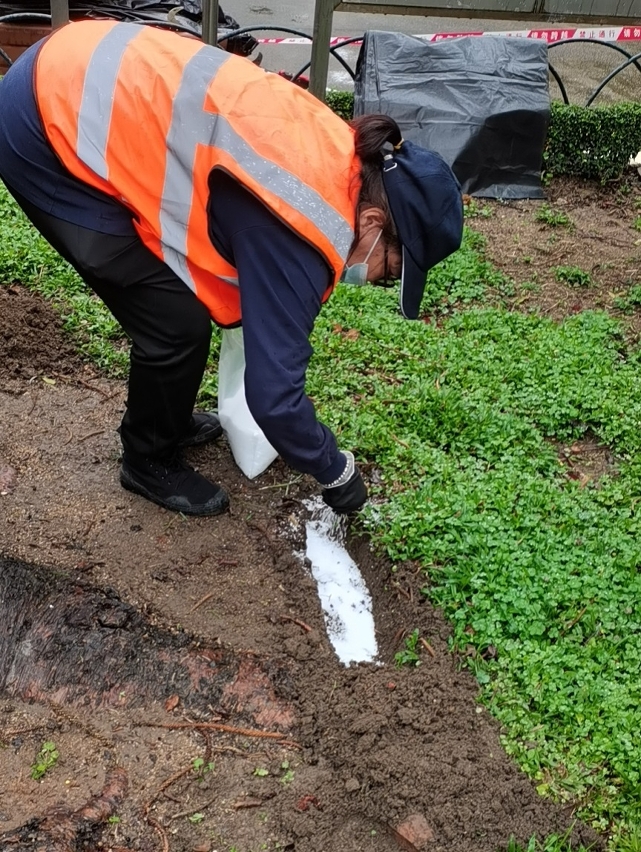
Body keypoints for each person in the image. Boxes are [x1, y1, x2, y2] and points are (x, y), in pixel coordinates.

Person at [0, 20, 463, 517]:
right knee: (173, 324)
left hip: (79, 62)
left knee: (180, 304)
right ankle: (147, 459)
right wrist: (335, 469)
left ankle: (167, 419)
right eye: (388, 271)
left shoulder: (339, 154)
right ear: (372, 222)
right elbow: (275, 399)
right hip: (45, 122)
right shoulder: (302, 227)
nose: (375, 282)